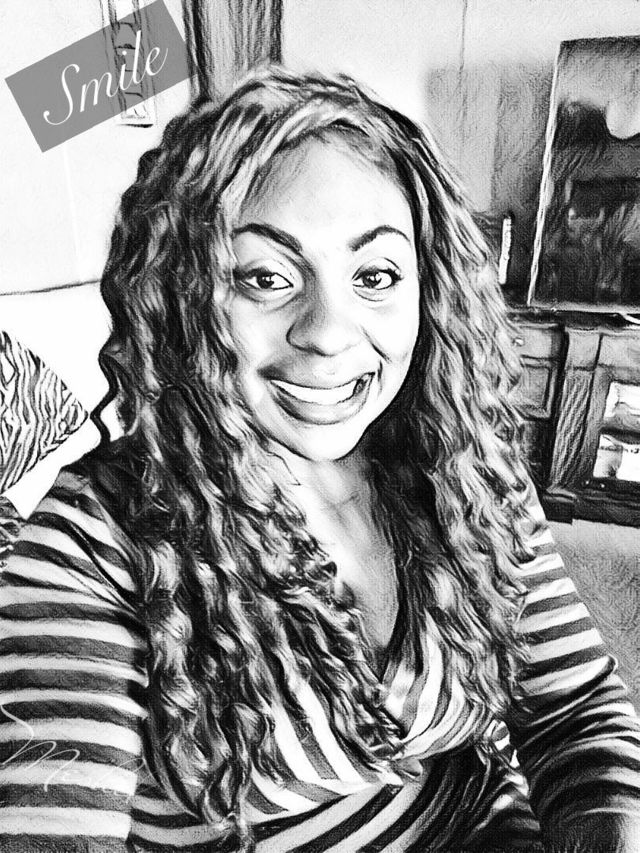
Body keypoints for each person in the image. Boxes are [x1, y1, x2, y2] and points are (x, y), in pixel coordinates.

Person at [1, 67, 639, 853]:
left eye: (375, 276)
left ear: (429, 290)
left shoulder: (465, 467)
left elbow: (573, 710)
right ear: (181, 294)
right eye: (265, 278)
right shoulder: (92, 541)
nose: (329, 333)